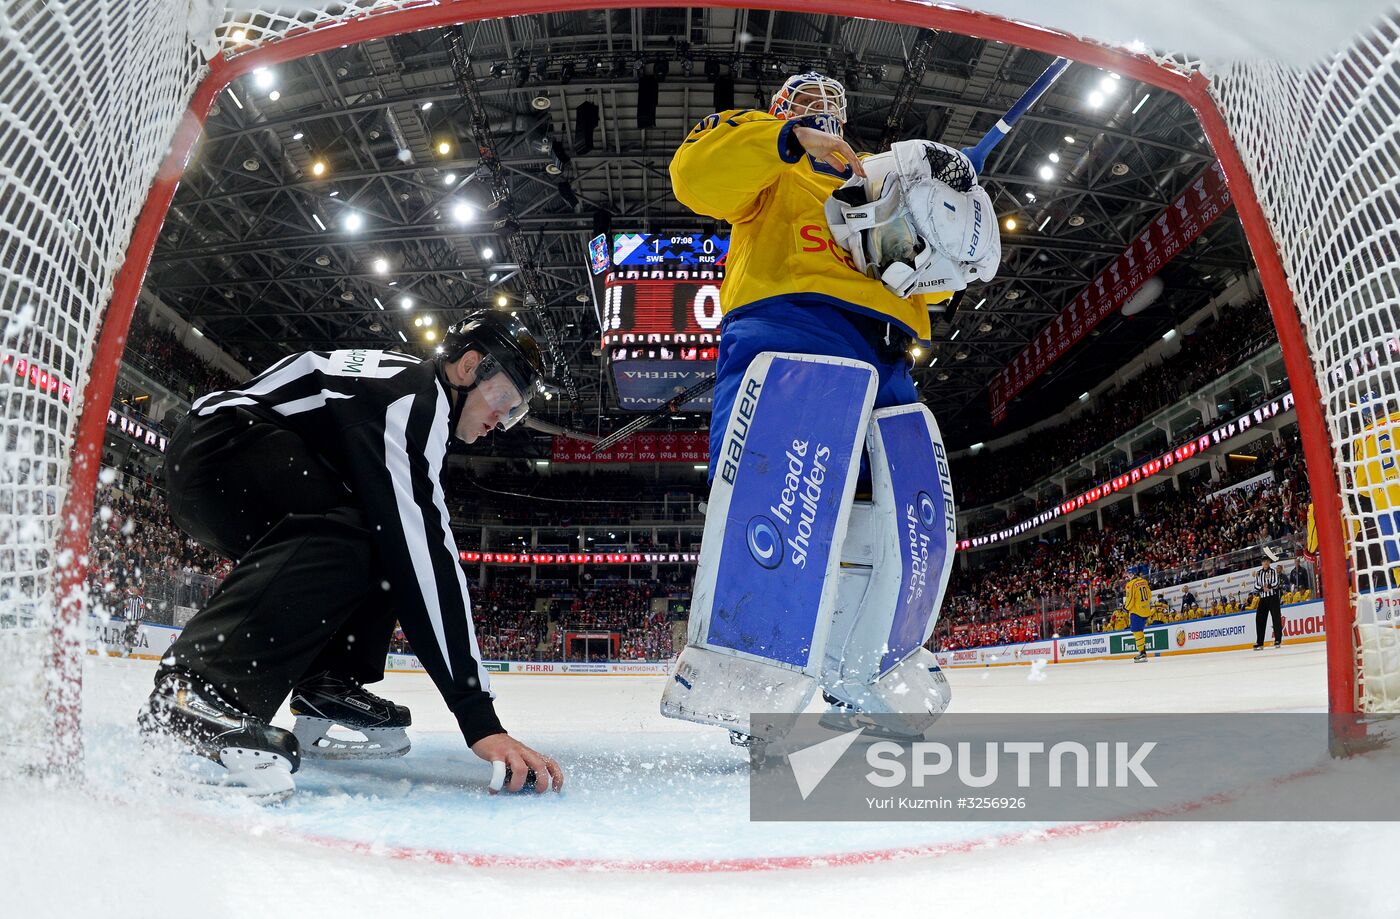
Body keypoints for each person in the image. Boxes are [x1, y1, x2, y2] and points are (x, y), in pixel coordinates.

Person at [661, 72, 999, 740]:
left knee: (888, 523)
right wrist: (786, 139)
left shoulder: (881, 181)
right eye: (801, 106)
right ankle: (752, 677)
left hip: (889, 351)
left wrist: (946, 220)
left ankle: (859, 674)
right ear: (781, 111)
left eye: (828, 108)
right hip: (793, 331)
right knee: (783, 503)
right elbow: (694, 176)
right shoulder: (775, 166)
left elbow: (927, 286)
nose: (819, 113)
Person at [137, 310, 564, 798]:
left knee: (380, 531)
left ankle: (325, 684)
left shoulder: (412, 396)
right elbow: (429, 561)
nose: (502, 422)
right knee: (383, 533)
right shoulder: (414, 403)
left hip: (227, 454)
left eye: (514, 413)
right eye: (505, 400)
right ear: (469, 367)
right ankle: (195, 690)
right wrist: (478, 717)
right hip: (223, 448)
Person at [1253, 551, 1283, 650]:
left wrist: (1269, 586)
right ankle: (1260, 642)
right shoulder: (1259, 573)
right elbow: (1256, 585)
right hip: (1263, 598)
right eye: (1263, 561)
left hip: (1273, 597)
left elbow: (1276, 582)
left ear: (1269, 562)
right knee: (1259, 619)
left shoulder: (1273, 571)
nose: (1265, 563)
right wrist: (1262, 588)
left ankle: (1277, 639)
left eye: (1267, 561)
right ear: (1261, 563)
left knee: (1276, 618)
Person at [1124, 563, 1153, 663]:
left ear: (1132, 574)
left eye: (1128, 573)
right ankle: (1142, 652)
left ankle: (1142, 653)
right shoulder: (1144, 581)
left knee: (1137, 632)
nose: (1127, 575)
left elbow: (1130, 599)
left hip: (1136, 612)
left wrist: (1126, 608)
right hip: (1146, 610)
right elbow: (1149, 595)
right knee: (1140, 631)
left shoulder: (1130, 585)